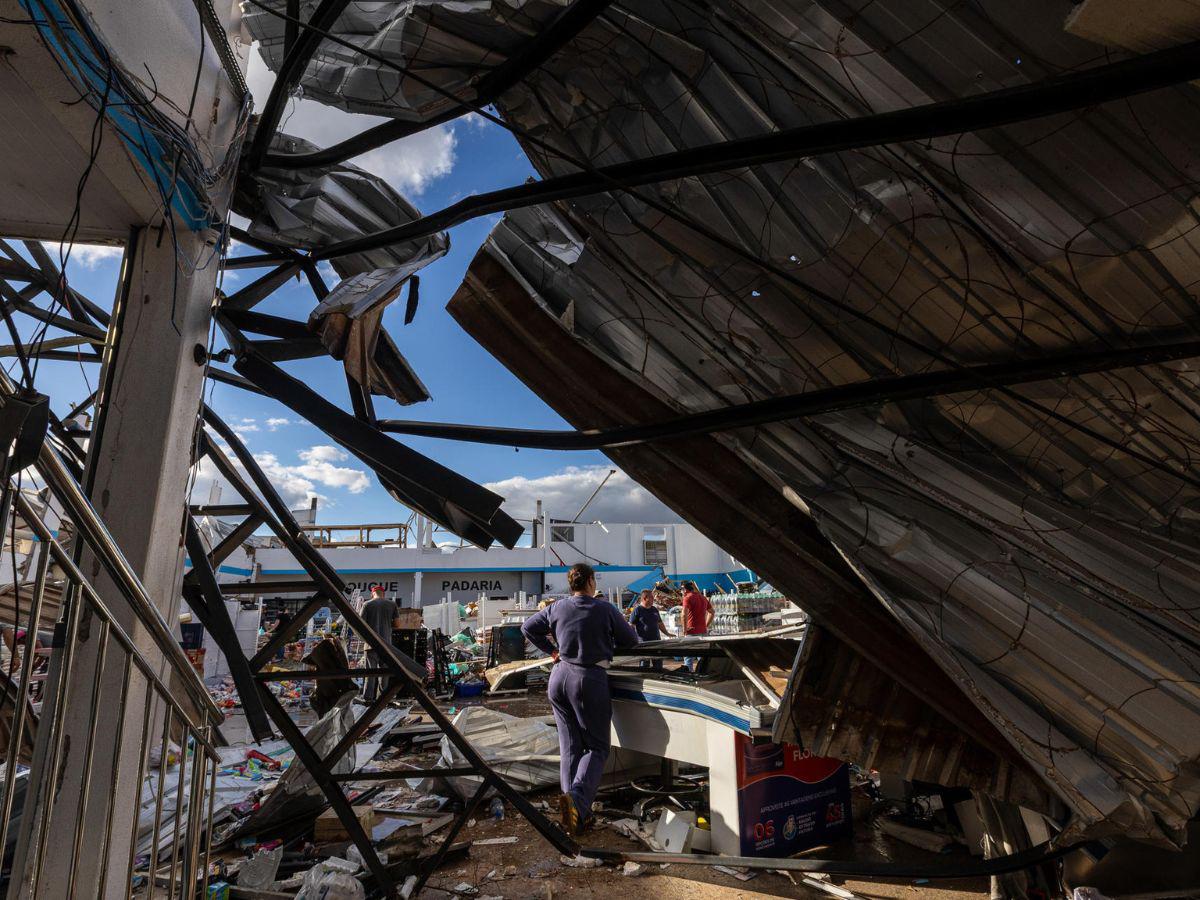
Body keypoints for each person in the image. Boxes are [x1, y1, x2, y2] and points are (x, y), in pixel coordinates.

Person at [522, 562, 638, 835]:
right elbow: (631, 641)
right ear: (589, 582)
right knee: (596, 748)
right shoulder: (604, 609)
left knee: (570, 747)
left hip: (558, 678)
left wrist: (552, 651)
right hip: (587, 679)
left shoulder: (556, 607)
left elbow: (527, 628)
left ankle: (574, 814)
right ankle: (577, 801)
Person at [360, 586, 401, 702]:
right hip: (386, 645)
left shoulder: (367, 605)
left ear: (372, 594)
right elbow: (398, 624)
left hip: (370, 645)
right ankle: (383, 698)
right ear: (383, 593)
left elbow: (360, 624)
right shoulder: (392, 604)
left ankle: (368, 698)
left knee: (370, 673)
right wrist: (387, 626)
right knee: (385, 673)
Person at [628, 589, 670, 670]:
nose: (653, 599)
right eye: (651, 597)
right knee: (644, 666)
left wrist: (667, 633)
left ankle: (657, 680)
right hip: (644, 644)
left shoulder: (654, 609)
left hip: (656, 642)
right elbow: (631, 626)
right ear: (644, 598)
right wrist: (632, 639)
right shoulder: (637, 610)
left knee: (658, 665)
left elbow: (660, 623)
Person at [680, 581, 713, 672]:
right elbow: (712, 612)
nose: (681, 592)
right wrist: (706, 625)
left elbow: (684, 614)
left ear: (685, 590)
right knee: (702, 657)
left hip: (691, 632)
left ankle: (689, 676)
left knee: (688, 658)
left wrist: (684, 629)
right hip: (703, 632)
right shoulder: (703, 598)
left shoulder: (687, 598)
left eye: (681, 590)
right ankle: (702, 674)